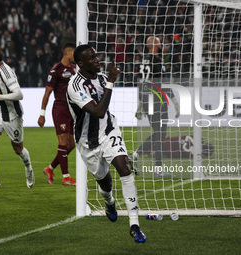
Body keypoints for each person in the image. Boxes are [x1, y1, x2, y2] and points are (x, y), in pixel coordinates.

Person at [67, 44, 146, 243]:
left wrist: (108, 80)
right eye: (92, 58)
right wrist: (111, 82)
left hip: (109, 131)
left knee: (124, 168)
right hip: (87, 142)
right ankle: (109, 202)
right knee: (105, 183)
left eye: (96, 56)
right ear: (80, 64)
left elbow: (104, 115)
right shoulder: (75, 85)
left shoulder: (101, 78)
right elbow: (97, 111)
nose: (97, 60)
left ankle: (135, 225)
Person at [0, 43, 35, 193]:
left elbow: (19, 95)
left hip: (12, 116)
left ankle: (29, 168)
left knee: (18, 149)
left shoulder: (6, 72)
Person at [131, 36, 180, 176]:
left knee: (159, 133)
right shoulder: (158, 61)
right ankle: (151, 164)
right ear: (156, 45)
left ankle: (144, 160)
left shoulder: (143, 61)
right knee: (160, 133)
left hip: (147, 100)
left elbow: (142, 83)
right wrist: (175, 101)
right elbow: (162, 84)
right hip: (157, 100)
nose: (163, 45)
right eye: (160, 43)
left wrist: (141, 104)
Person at [38, 43, 76, 185]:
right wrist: (42, 114)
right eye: (74, 53)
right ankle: (66, 177)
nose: (75, 56)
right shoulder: (56, 71)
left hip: (72, 110)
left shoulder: (74, 69)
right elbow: (47, 94)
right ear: (67, 53)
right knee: (63, 141)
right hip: (60, 109)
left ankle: (50, 168)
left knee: (71, 144)